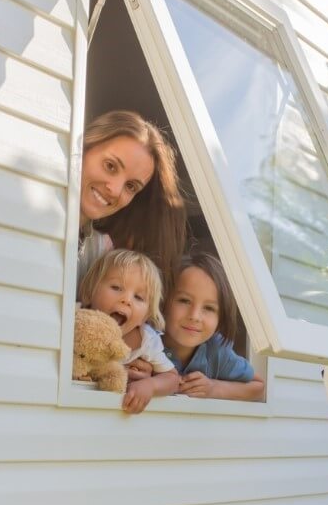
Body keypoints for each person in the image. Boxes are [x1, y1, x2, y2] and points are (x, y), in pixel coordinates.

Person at [77, 110, 186, 293]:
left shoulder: (99, 252)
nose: (115, 190)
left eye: (131, 186)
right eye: (110, 166)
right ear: (85, 148)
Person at [78, 249, 179, 414]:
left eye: (138, 297)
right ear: (90, 292)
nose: (127, 300)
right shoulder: (77, 322)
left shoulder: (145, 340)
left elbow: (173, 379)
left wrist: (150, 386)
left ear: (144, 317)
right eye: (117, 287)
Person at [161, 252, 265, 402]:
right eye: (184, 300)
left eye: (209, 308)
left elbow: (258, 387)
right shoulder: (145, 340)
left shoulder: (216, 351)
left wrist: (213, 388)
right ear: (163, 300)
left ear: (221, 317)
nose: (195, 316)